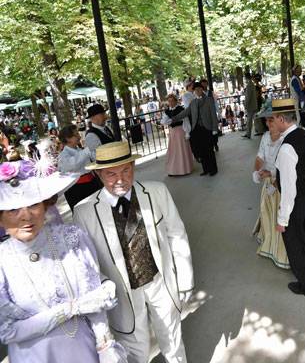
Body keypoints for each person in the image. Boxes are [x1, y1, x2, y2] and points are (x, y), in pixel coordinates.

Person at [74, 141, 193, 363]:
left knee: (173, 342)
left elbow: (177, 234)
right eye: (111, 173)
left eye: (126, 170)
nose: (120, 179)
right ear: (99, 174)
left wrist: (185, 280)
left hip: (160, 281)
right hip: (121, 293)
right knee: (135, 352)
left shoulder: (157, 191)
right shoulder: (84, 212)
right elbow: (87, 264)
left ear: (134, 166)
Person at [0, 154, 126, 363]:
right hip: (33, 357)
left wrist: (105, 344)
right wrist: (70, 309)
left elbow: (94, 296)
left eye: (33, 205)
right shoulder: (2, 260)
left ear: (45, 205)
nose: (26, 216)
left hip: (83, 349)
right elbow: (7, 331)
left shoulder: (70, 238)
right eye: (13, 210)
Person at [268, 98, 305, 297]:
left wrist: (283, 219)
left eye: (273, 118)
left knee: (294, 243)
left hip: (296, 201)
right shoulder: (304, 134)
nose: (271, 122)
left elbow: (289, 188)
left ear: (282, 119)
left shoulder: (286, 148)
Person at [252, 103, 289, 269]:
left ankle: (281, 250)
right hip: (268, 184)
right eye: (267, 121)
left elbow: (286, 167)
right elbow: (259, 157)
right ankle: (269, 243)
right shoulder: (265, 137)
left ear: (280, 119)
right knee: (267, 213)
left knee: (281, 217)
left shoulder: (286, 139)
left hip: (281, 184)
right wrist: (257, 171)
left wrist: (272, 174)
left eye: (271, 120)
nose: (268, 124)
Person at [169, 82, 219, 176]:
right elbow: (185, 112)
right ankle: (206, 169)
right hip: (197, 128)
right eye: (196, 90)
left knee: (209, 150)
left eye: (199, 89)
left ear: (202, 89)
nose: (198, 91)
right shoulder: (193, 102)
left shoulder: (209, 100)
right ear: (194, 92)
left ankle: (213, 169)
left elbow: (213, 115)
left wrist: (215, 128)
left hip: (207, 127)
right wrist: (173, 119)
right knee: (201, 149)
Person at [58, 124, 103, 210]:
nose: (79, 136)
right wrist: (86, 151)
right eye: (76, 134)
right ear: (68, 139)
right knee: (85, 211)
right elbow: (71, 165)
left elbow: (92, 158)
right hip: (77, 189)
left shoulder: (79, 150)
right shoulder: (63, 155)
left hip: (92, 182)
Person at [162, 94, 193, 177]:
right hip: (172, 132)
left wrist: (187, 132)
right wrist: (167, 121)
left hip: (181, 131)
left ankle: (184, 169)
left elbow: (186, 121)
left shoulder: (181, 109)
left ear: (176, 101)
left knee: (182, 151)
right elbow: (164, 121)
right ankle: (173, 170)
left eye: (172, 101)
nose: (170, 103)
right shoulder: (167, 111)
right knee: (173, 151)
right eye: (169, 101)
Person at [243, 72, 258, 139]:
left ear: (246, 77)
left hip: (250, 106)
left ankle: (248, 134)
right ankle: (256, 131)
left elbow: (248, 96)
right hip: (253, 104)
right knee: (255, 119)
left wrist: (245, 105)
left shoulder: (249, 85)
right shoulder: (251, 84)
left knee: (249, 120)